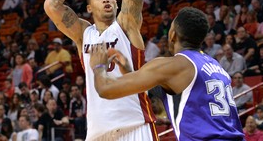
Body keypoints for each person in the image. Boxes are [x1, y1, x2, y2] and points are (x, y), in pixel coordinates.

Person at [44, 0, 157, 140]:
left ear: (116, 3)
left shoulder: (126, 24)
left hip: (135, 125)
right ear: (89, 7)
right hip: (98, 133)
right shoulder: (83, 34)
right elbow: (51, 5)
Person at [89, 7, 245, 140]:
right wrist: (127, 70)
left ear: (173, 34)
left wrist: (98, 66)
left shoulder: (173, 65)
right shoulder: (215, 66)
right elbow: (153, 86)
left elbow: (106, 90)